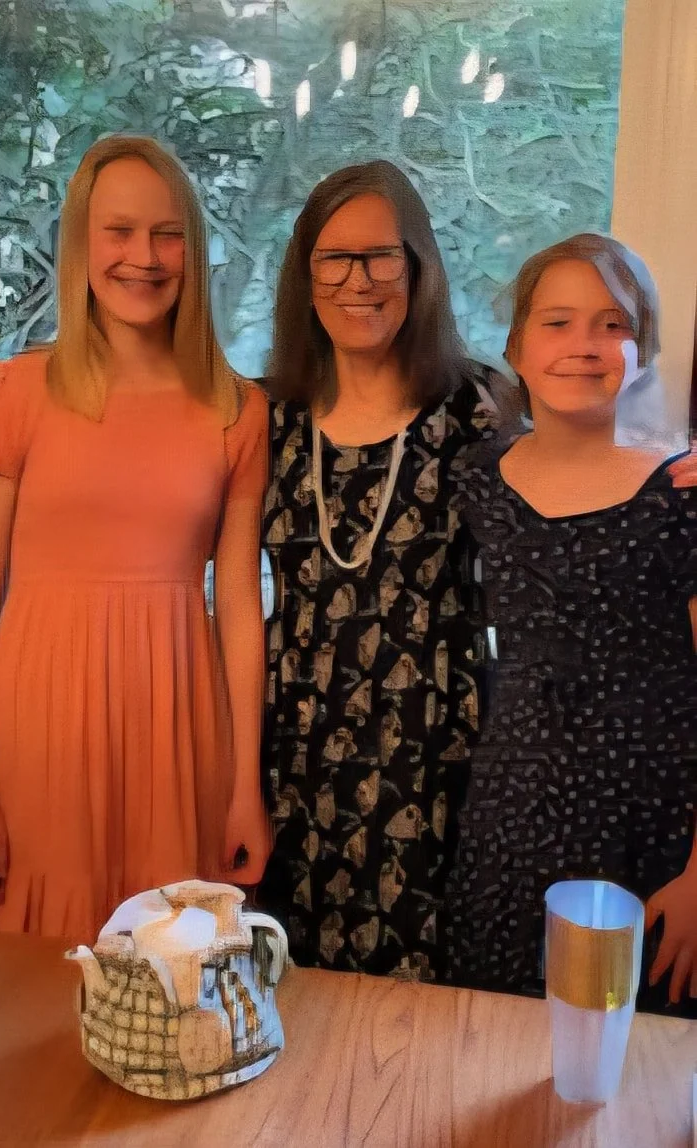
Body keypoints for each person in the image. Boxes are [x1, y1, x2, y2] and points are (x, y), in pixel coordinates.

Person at [0, 135, 270, 941]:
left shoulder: (238, 409)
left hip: (180, 732)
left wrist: (243, 787)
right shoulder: (12, 394)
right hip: (38, 736)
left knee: (170, 990)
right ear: (81, 245)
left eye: (167, 235)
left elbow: (237, 608)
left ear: (192, 251)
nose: (144, 257)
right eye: (118, 232)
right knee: (26, 991)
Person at [255, 160, 507, 980]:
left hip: (437, 758)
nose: (358, 280)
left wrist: (666, 473)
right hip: (296, 755)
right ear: (305, 274)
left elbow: (577, 499)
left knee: (428, 1024)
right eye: (334, 258)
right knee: (299, 1009)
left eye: (380, 256)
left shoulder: (481, 408)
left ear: (418, 265)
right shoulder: (268, 416)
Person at [446, 234, 696, 1011]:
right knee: (493, 1048)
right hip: (512, 818)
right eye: (557, 323)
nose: (583, 346)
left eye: (612, 324)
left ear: (643, 348)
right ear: (517, 345)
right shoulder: (479, 479)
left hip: (650, 827)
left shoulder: (680, 491)